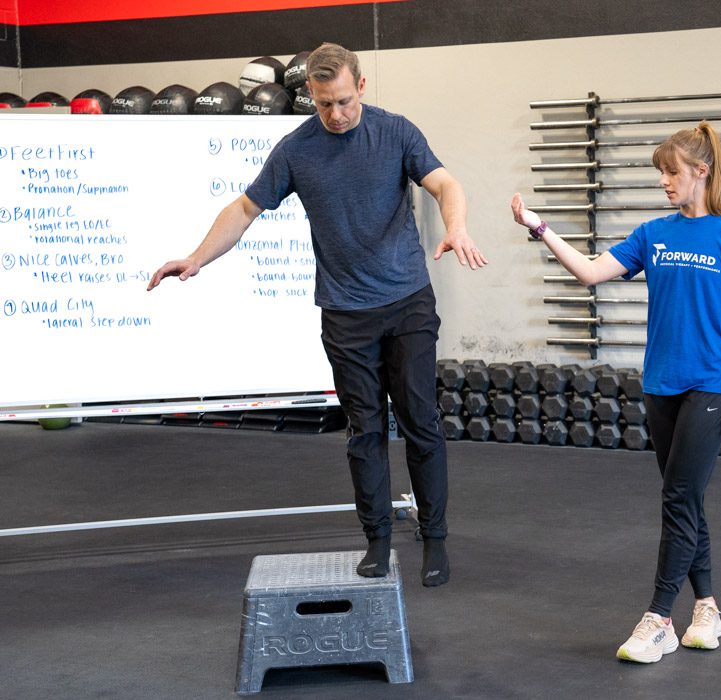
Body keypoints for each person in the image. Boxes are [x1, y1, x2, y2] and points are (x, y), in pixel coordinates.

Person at [149, 42, 487, 587]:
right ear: (311, 94)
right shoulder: (296, 149)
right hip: (346, 312)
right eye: (324, 103)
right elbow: (243, 209)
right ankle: (377, 539)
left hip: (406, 303)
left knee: (422, 422)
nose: (336, 114)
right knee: (365, 430)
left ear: (361, 87)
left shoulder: (396, 132)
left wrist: (457, 226)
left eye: (345, 101)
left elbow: (445, 182)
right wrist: (196, 257)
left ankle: (436, 538)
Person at [511, 120, 721, 661]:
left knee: (677, 497)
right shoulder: (653, 233)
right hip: (661, 386)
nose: (664, 183)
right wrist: (540, 228)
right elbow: (588, 272)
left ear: (701, 172)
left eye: (671, 173)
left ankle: (658, 619)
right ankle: (708, 608)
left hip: (711, 385)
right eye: (661, 175)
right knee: (687, 498)